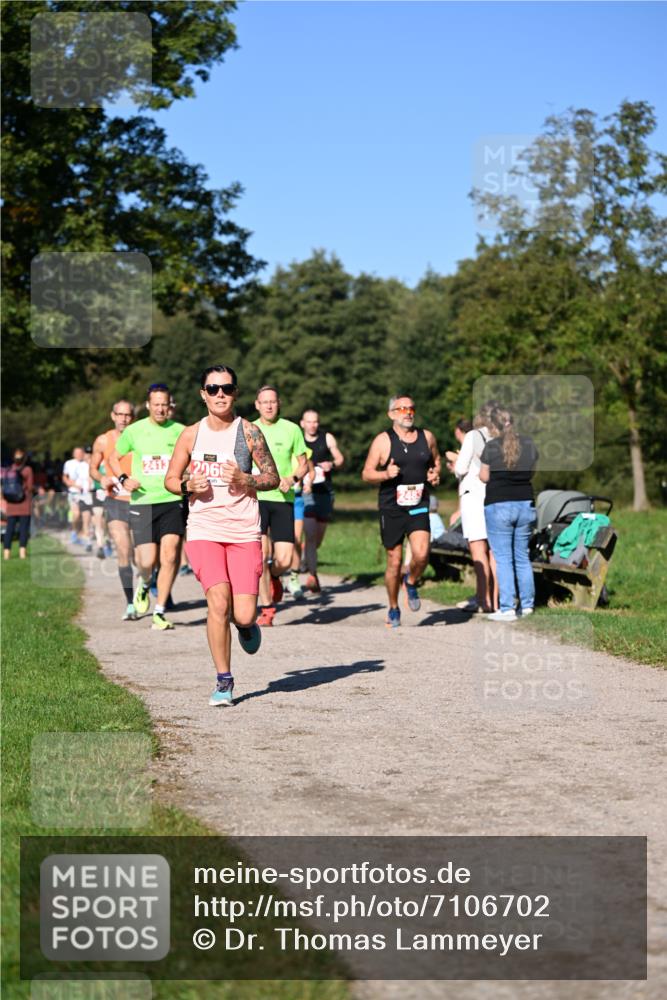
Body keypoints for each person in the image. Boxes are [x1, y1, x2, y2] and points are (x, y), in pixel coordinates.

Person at [165, 365, 279, 706]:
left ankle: (246, 626)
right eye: (212, 389)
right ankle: (224, 681)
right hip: (204, 530)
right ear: (202, 393)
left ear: (236, 393)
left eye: (226, 389)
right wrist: (187, 486)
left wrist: (247, 481)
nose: (219, 395)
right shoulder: (190, 434)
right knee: (218, 603)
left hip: (244, 532)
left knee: (243, 614)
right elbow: (170, 480)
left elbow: (273, 477)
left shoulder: (249, 432)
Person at [108, 383, 185, 630]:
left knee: (171, 555)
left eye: (165, 404)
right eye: (156, 404)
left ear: (169, 406)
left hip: (172, 500)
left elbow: (194, 459)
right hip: (143, 501)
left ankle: (160, 611)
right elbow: (113, 458)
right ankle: (144, 583)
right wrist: (123, 479)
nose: (161, 409)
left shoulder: (181, 431)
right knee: (147, 561)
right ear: (148, 405)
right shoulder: (134, 431)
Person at [362, 394, 441, 627]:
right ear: (391, 414)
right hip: (392, 507)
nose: (408, 412)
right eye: (402, 408)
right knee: (394, 561)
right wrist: (385, 475)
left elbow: (435, 462)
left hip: (418, 504)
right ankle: (394, 607)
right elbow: (366, 473)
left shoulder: (427, 437)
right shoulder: (383, 441)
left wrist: (435, 475)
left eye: (411, 408)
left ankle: (412, 581)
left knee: (422, 553)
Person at [253, 385, 308, 626]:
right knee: (262, 556)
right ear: (257, 404)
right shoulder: (249, 429)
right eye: (264, 402)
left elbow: (304, 464)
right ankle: (267, 609)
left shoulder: (292, 429)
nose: (268, 405)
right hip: (256, 500)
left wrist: (292, 478)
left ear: (279, 403)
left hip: (283, 500)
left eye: (273, 401)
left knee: (284, 559)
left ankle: (276, 577)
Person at [479, 405, 539, 621]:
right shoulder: (529, 444)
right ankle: (528, 606)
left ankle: (507, 608)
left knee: (503, 559)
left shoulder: (491, 447)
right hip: (525, 503)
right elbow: (531, 471)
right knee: (522, 556)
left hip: (498, 505)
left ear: (493, 426)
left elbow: (484, 477)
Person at [447, 407, 498, 613]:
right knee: (495, 551)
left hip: (474, 495)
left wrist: (454, 463)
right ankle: (497, 600)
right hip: (495, 494)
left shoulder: (472, 435)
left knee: (478, 549)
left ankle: (482, 599)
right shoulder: (499, 436)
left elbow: (461, 468)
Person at [91, 400, 136, 619]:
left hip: (141, 501)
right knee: (123, 549)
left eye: (127, 415)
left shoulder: (140, 437)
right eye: (119, 414)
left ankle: (149, 585)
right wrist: (102, 479)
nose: (123, 419)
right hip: (115, 501)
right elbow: (92, 468)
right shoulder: (103, 440)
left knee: (144, 557)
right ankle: (130, 603)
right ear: (112, 415)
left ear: (133, 417)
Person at [300, 409, 344, 594]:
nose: (312, 425)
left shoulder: (327, 438)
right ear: (302, 423)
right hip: (305, 492)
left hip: (325, 492)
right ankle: (313, 575)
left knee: (317, 539)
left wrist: (332, 464)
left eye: (315, 422)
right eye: (309, 422)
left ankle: (305, 555)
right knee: (310, 535)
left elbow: (340, 459)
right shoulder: (297, 439)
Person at [2, 449, 34, 560]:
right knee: (23, 529)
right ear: (24, 458)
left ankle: (6, 554)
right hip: (24, 504)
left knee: (9, 529)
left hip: (11, 504)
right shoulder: (27, 469)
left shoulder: (8, 470)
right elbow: (30, 487)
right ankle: (22, 554)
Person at [62, 446, 93, 548]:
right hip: (73, 492)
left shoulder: (87, 464)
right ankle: (75, 531)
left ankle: (85, 535)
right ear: (74, 454)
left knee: (86, 515)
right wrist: (73, 485)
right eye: (77, 453)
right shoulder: (69, 463)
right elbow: (64, 478)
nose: (79, 455)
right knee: (76, 514)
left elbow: (90, 477)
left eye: (81, 453)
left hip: (85, 493)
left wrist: (89, 487)